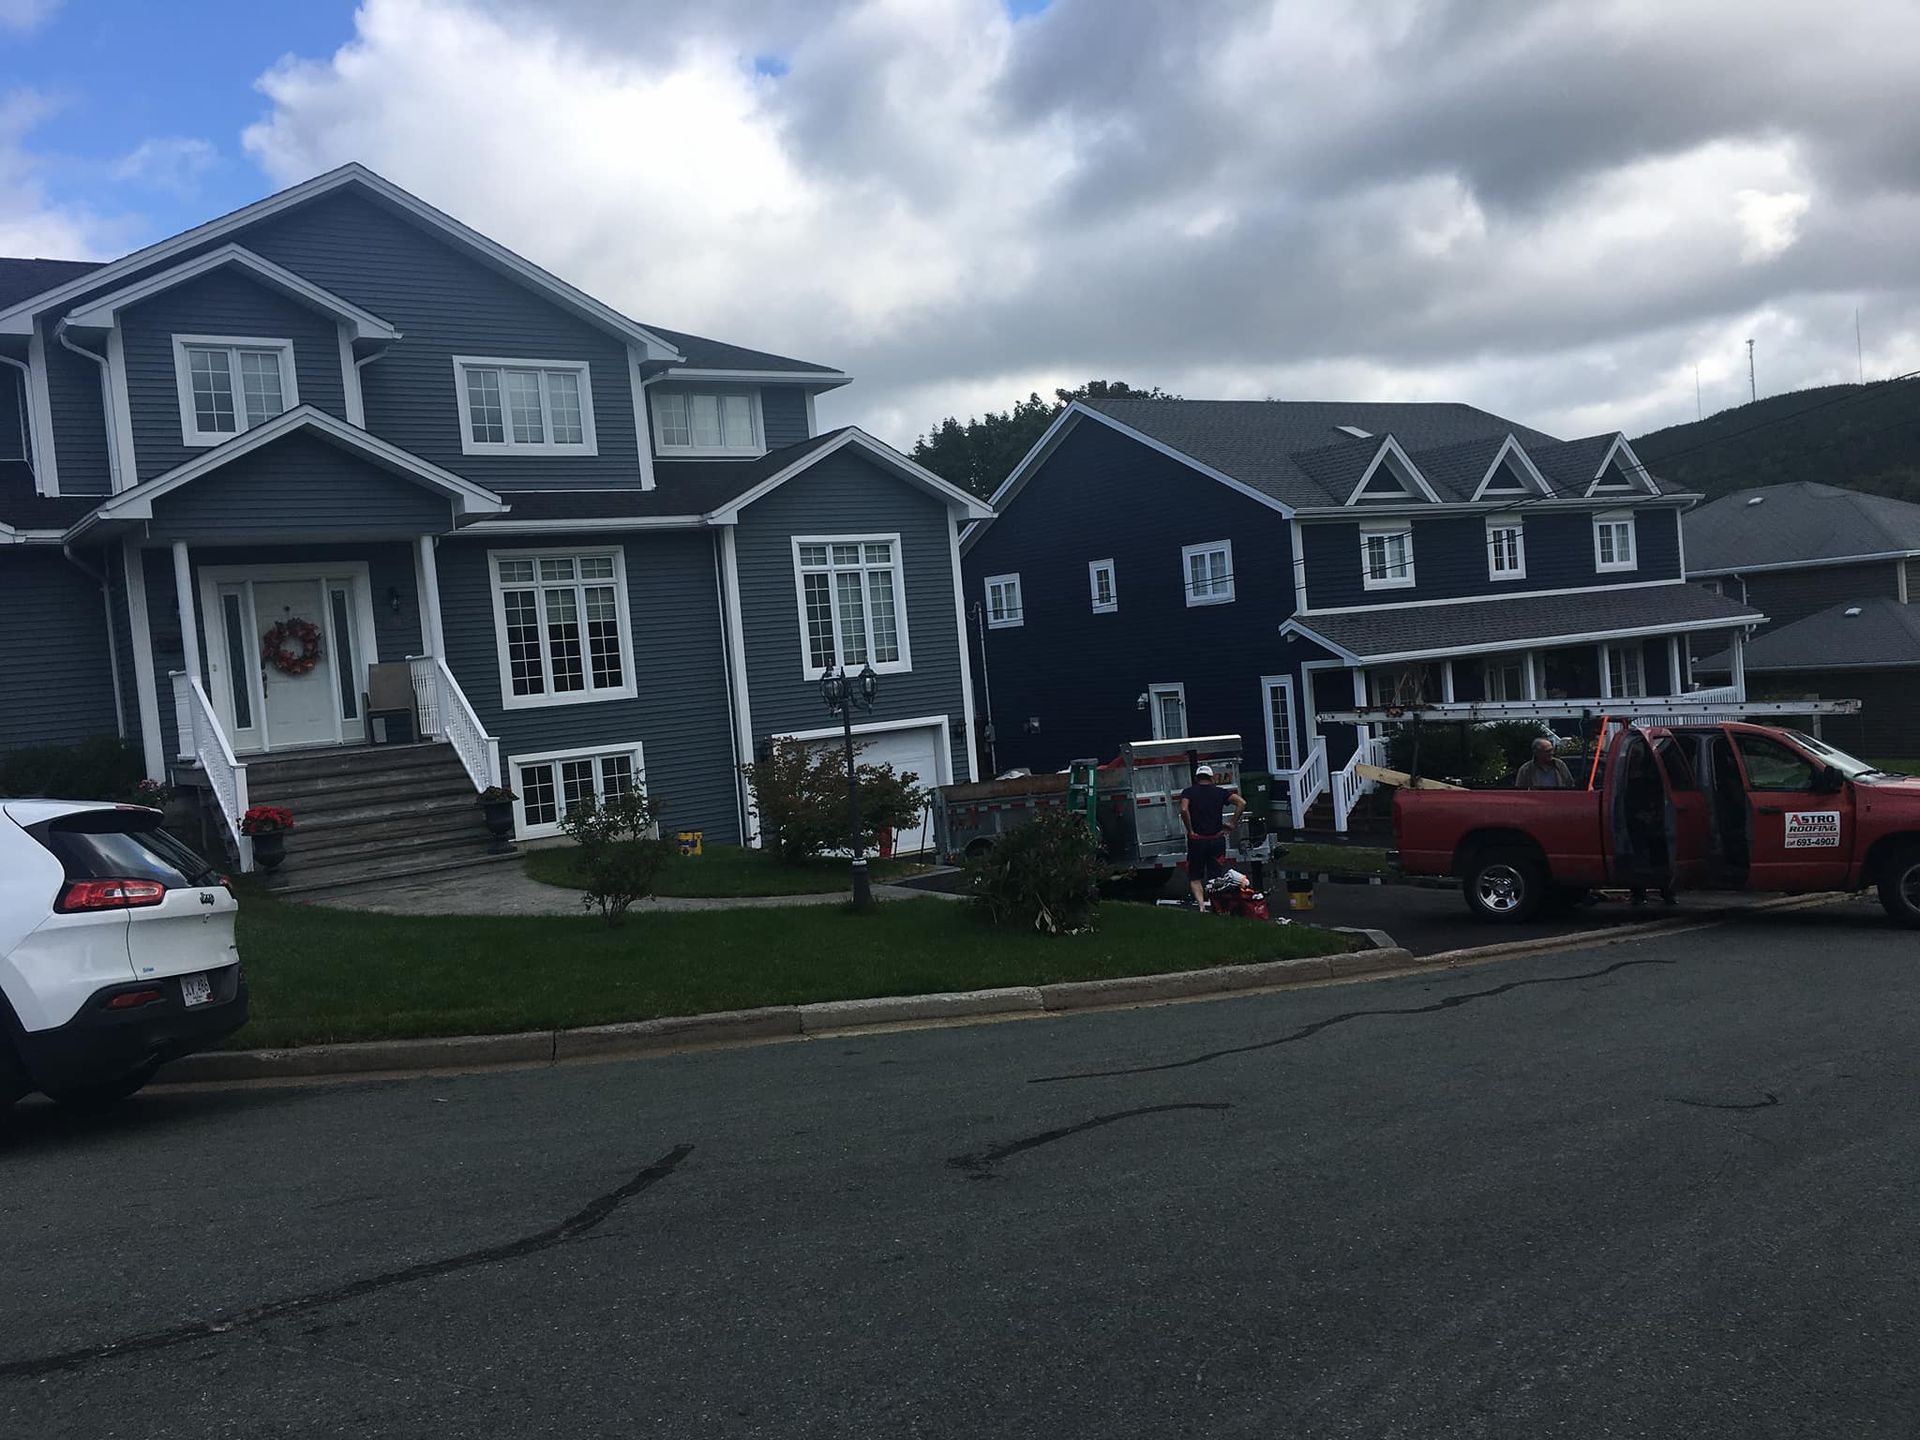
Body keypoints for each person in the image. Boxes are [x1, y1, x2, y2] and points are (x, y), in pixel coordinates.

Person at [1179, 764, 1247, 910]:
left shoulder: (1188, 792)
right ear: (1211, 777)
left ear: (1197, 778)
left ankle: (1202, 906)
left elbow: (1184, 809)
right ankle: (1216, 906)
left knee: (1195, 876)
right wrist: (1232, 823)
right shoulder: (1220, 792)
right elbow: (1242, 802)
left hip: (1197, 840)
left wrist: (1190, 829)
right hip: (1216, 839)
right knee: (1215, 877)